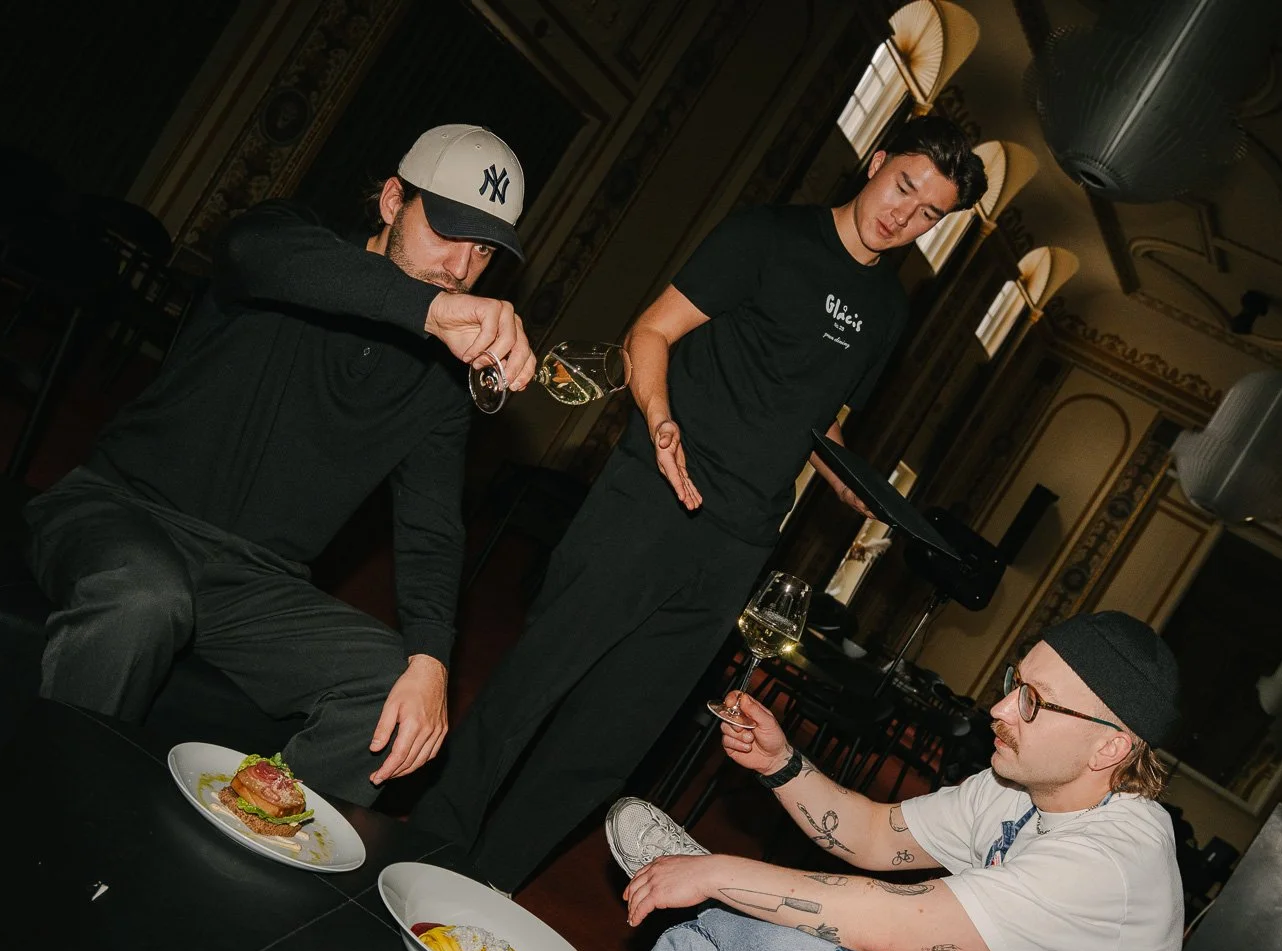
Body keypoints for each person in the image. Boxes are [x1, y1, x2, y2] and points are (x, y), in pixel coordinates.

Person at [409, 115, 987, 891]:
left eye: (927, 214)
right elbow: (649, 331)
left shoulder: (887, 314)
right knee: (535, 683)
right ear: (878, 160)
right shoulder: (768, 235)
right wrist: (659, 418)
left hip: (740, 544)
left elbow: (830, 421)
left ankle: (485, 884)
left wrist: (857, 486)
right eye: (904, 186)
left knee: (609, 741)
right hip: (652, 496)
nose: (903, 214)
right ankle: (425, 850)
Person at [24, 124, 537, 803]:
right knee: (146, 598)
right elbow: (252, 250)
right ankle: (43, 814)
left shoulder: (443, 382)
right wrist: (429, 309)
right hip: (120, 511)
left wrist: (431, 658)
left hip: (253, 583)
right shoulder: (290, 244)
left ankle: (239, 847)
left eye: (482, 252)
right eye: (446, 230)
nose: (460, 267)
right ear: (391, 200)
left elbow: (433, 527)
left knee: (390, 687)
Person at [606, 610, 1185, 951]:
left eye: (1034, 702)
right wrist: (781, 764)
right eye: (1015, 681)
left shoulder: (1116, 863)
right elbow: (877, 836)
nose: (1001, 708)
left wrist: (717, 874)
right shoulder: (1017, 787)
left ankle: (722, 903)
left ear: (1110, 746)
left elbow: (895, 929)